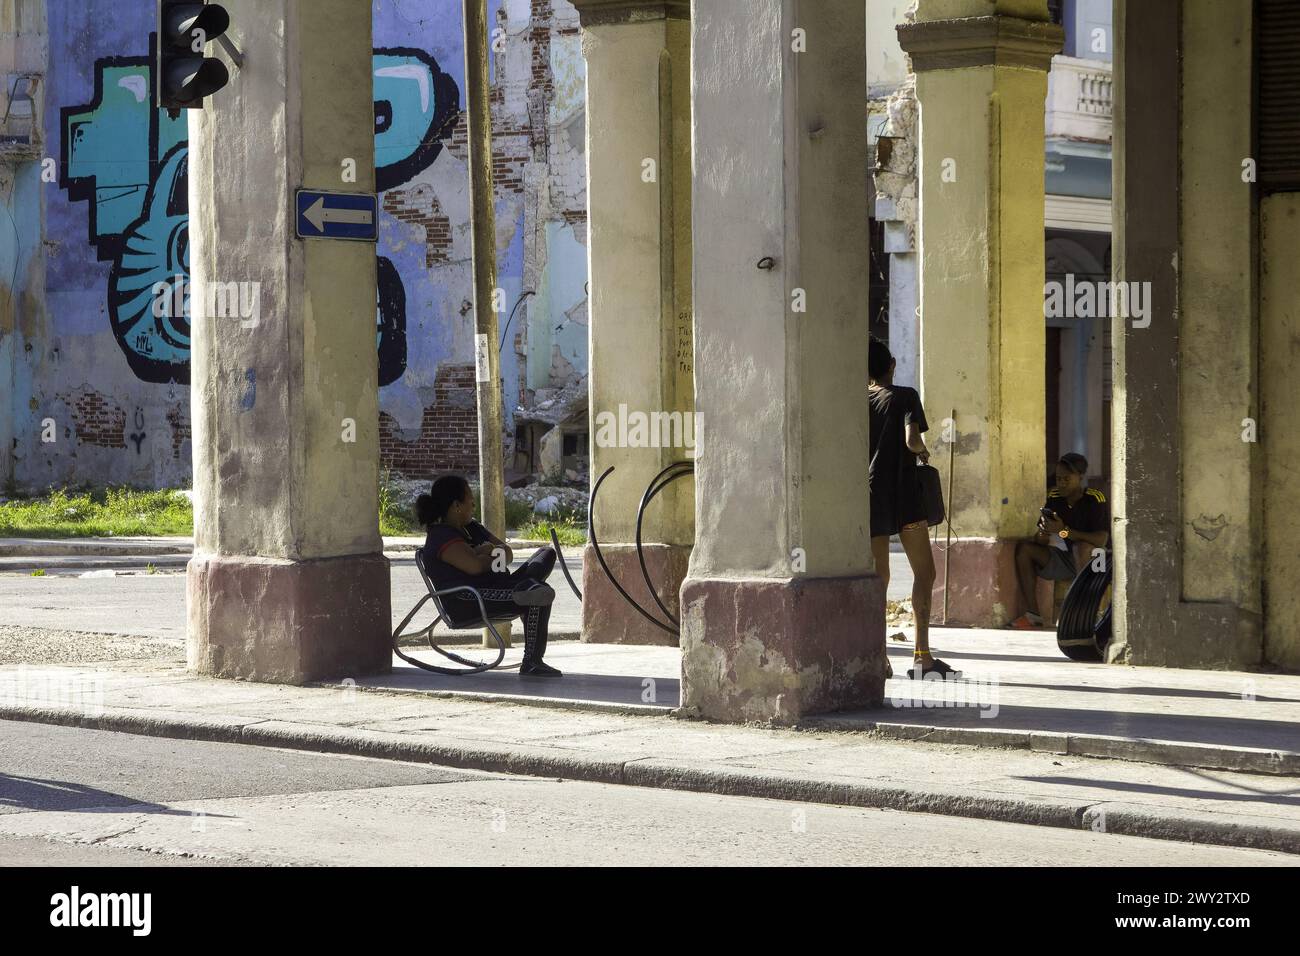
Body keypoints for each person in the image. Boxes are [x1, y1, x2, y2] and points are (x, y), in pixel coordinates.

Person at [868, 336, 956, 679]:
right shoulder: (905, 396)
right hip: (905, 495)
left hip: (871, 495)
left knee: (879, 578)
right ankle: (922, 656)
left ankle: (879, 658)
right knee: (925, 573)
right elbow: (911, 439)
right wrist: (921, 451)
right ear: (891, 365)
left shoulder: (858, 399)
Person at [416, 475, 562, 677]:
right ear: (456, 505)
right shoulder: (441, 536)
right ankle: (532, 661)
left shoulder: (473, 528)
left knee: (546, 555)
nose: (473, 503)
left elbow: (507, 553)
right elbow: (474, 567)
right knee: (537, 593)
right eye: (469, 499)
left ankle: (526, 589)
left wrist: (488, 551)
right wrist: (489, 554)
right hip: (470, 599)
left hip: (501, 585)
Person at [1006, 452, 1109, 629]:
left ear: (1080, 477)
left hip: (1096, 561)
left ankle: (1087, 612)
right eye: (1059, 478)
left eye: (1066, 479)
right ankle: (1033, 615)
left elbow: (1101, 540)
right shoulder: (1054, 497)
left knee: (1082, 547)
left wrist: (1063, 531)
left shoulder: (1094, 498)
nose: (1061, 483)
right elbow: (1043, 540)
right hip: (1068, 558)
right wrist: (1043, 534)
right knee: (1025, 550)